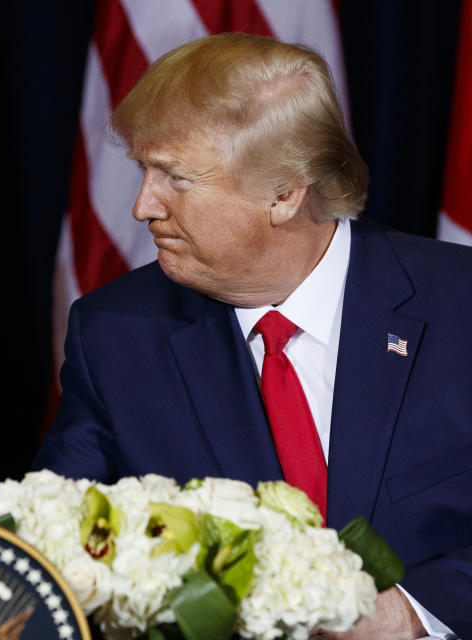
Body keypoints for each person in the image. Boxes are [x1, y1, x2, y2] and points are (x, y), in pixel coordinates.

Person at [34, 34, 470, 639]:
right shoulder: (115, 334)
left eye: (175, 178)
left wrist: (411, 613)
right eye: (143, 171)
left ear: (285, 193)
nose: (142, 206)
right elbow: (57, 546)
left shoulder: (459, 307)